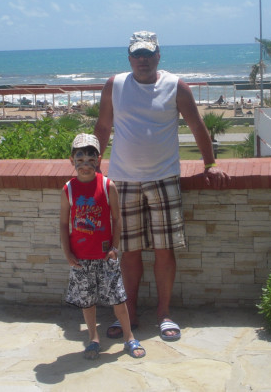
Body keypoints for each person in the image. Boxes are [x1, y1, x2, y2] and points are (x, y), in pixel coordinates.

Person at [94, 31, 230, 342]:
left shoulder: (176, 86)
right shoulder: (114, 85)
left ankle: (164, 314)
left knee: (164, 250)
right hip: (123, 181)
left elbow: (197, 125)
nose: (142, 59)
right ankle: (129, 313)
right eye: (137, 54)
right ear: (129, 57)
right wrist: (92, 166)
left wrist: (210, 164)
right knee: (129, 252)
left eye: (148, 54)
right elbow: (102, 126)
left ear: (158, 55)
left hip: (164, 179)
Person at [59, 133, 145, 360]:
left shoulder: (107, 186)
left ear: (98, 160)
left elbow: (116, 219)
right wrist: (67, 252)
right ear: (72, 160)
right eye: (80, 159)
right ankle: (93, 339)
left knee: (118, 298)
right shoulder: (68, 189)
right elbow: (63, 223)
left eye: (90, 159)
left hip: (106, 256)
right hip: (80, 258)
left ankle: (129, 337)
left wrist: (115, 248)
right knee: (87, 301)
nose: (85, 165)